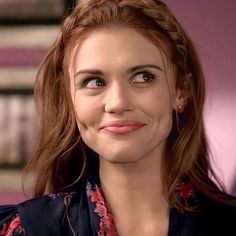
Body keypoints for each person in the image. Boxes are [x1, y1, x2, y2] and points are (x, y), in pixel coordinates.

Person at [0, 0, 236, 235]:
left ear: (181, 90)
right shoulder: (28, 230)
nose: (118, 103)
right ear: (69, 99)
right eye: (94, 82)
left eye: (143, 77)